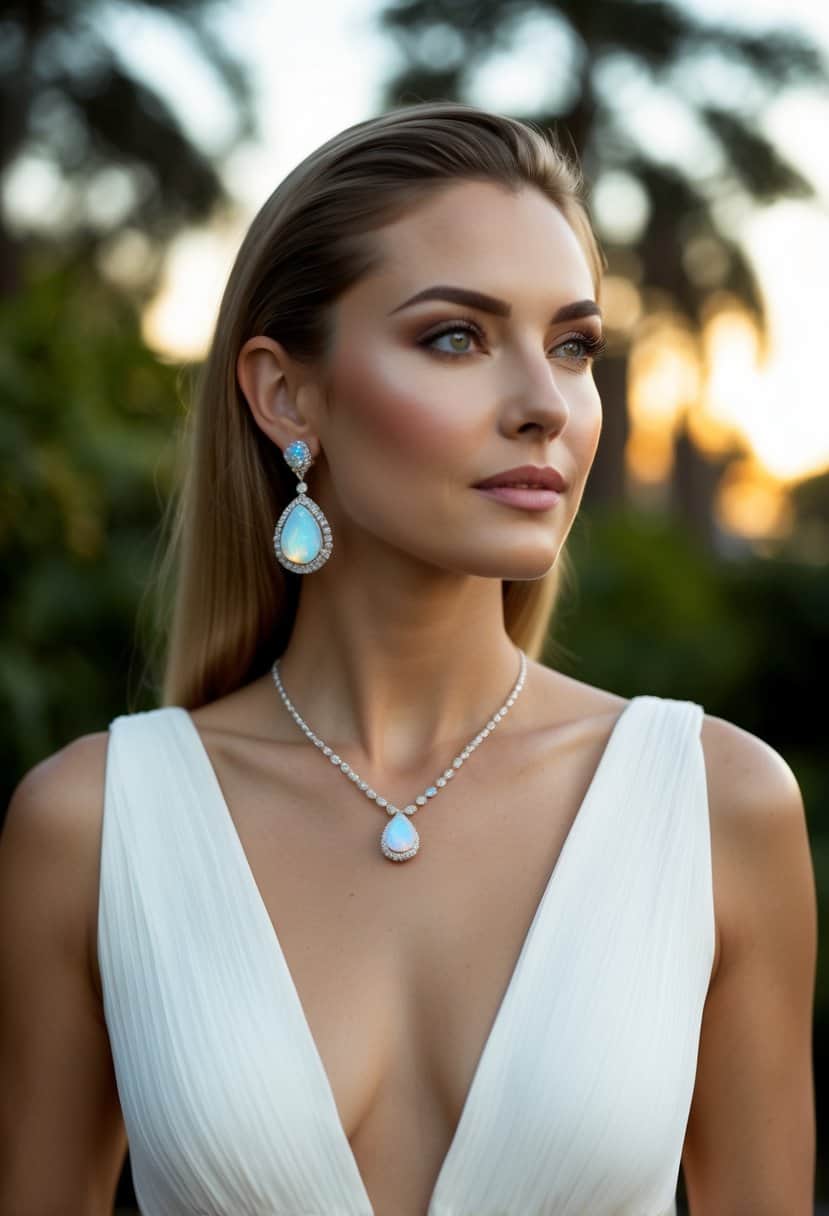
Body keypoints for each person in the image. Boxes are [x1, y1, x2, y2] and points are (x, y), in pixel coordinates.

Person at [0, 101, 817, 1216]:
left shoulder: (718, 806)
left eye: (572, 345)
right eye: (456, 337)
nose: (546, 405)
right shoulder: (91, 826)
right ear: (287, 394)